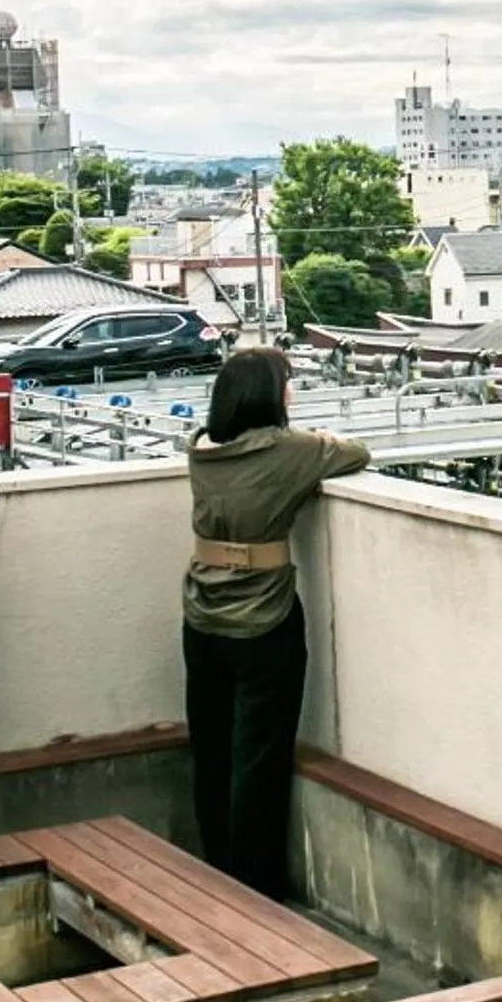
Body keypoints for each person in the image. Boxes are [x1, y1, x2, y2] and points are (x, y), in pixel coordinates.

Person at [181, 347, 367, 894]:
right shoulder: (293, 451)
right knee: (258, 755)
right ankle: (254, 882)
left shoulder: (202, 449)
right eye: (287, 383)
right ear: (269, 394)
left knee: (211, 747)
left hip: (201, 611)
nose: (291, 392)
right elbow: (356, 452)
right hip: (265, 617)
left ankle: (216, 866)